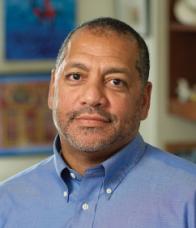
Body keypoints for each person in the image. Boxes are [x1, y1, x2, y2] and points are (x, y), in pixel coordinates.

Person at [0, 17, 196, 228]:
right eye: (76, 76)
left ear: (144, 101)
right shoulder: (6, 203)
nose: (93, 97)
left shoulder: (189, 196)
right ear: (52, 90)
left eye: (116, 81)